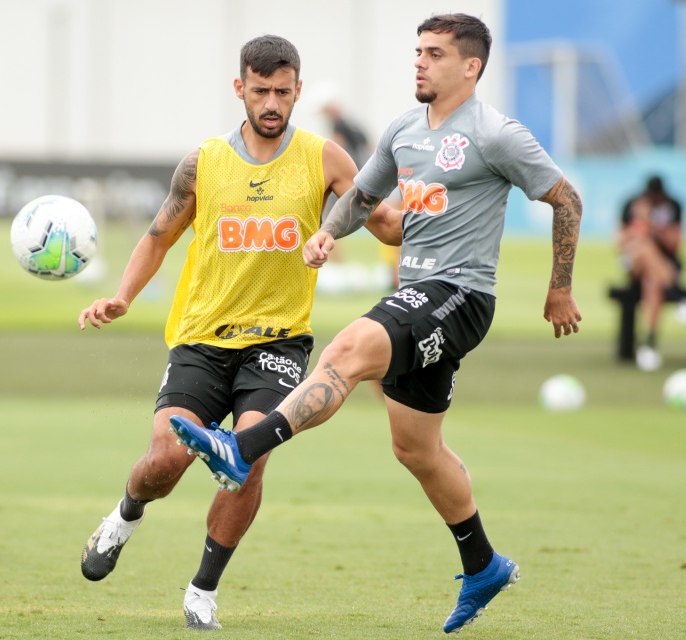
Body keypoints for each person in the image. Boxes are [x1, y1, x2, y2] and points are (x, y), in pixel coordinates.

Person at [169, 14, 583, 634]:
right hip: (417, 293)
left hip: (461, 294)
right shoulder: (404, 129)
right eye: (418, 51)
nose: (419, 62)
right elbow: (361, 197)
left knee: (351, 346)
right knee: (414, 447)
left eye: (435, 54)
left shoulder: (497, 134)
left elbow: (565, 198)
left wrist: (559, 289)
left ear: (470, 67)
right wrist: (326, 236)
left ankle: (241, 448)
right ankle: (483, 564)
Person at [77, 34, 386, 631]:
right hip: (200, 339)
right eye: (261, 90)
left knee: (250, 457)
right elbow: (159, 236)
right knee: (164, 460)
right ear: (239, 88)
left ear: (298, 90)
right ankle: (126, 513)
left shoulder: (326, 160)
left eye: (284, 91)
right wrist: (121, 296)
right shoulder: (204, 162)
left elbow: (382, 222)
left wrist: (421, 210)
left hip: (277, 342)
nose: (272, 102)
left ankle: (202, 590)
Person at [617, 175, 685, 370]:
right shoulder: (631, 205)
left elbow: (675, 244)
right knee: (644, 248)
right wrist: (639, 227)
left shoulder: (673, 207)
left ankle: (649, 343)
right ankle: (675, 293)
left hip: (659, 268)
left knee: (653, 282)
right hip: (634, 263)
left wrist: (652, 225)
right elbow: (619, 242)